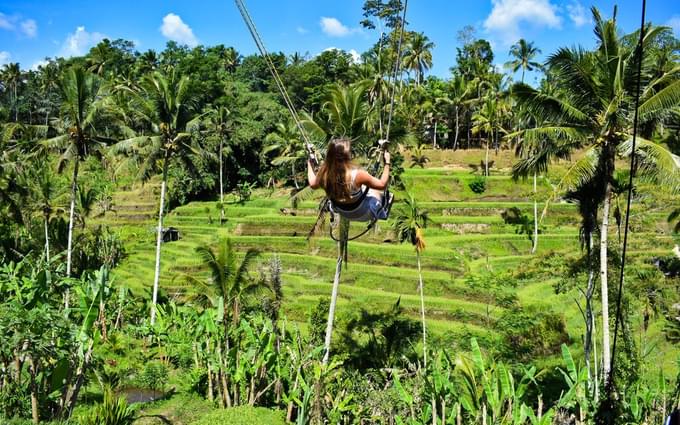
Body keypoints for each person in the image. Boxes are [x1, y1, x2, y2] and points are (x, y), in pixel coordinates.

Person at [307, 138, 393, 222]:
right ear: (347, 156)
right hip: (364, 213)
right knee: (377, 192)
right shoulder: (358, 175)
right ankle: (382, 211)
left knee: (360, 188)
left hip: (344, 213)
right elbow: (382, 185)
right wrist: (387, 163)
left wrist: (309, 164)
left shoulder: (324, 173)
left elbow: (313, 184)